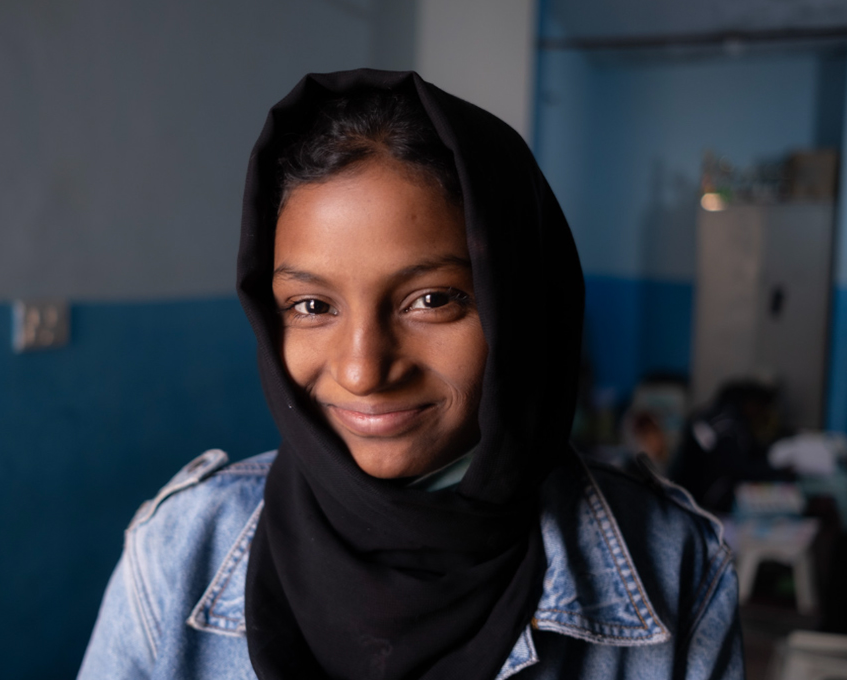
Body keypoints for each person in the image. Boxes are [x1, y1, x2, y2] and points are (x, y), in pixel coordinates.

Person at [78, 69, 743, 680]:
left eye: (432, 300)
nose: (364, 370)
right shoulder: (178, 550)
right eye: (312, 306)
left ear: (523, 308)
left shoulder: (672, 563)